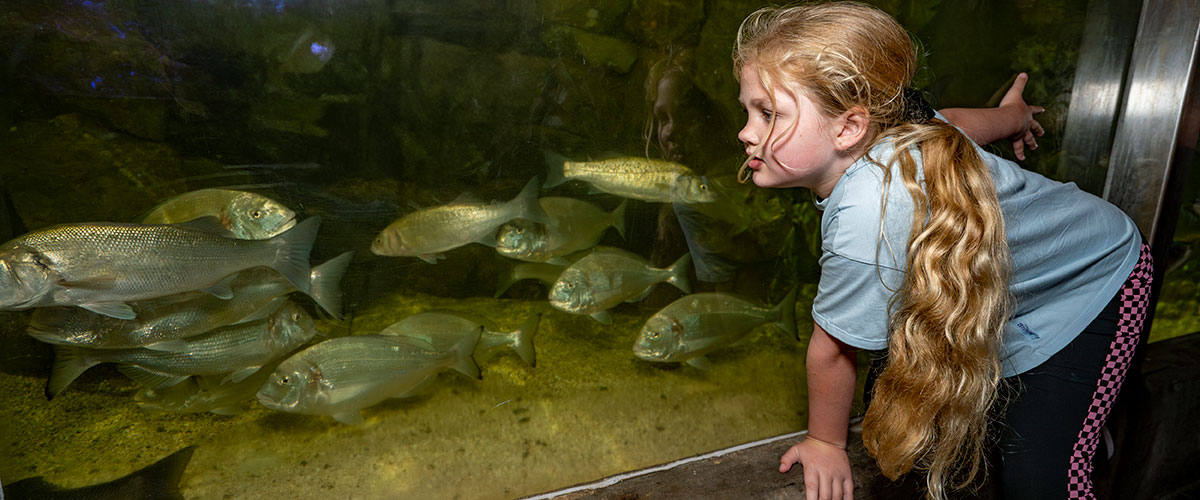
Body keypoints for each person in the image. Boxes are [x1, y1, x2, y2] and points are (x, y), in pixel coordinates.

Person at [732, 3, 1151, 500]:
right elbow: (950, 122)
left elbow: (834, 350)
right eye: (748, 110)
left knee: (1038, 480)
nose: (745, 132)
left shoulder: (868, 214)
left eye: (768, 113)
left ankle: (1082, 423)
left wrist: (825, 441)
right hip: (1000, 298)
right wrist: (1011, 118)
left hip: (1094, 284)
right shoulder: (898, 123)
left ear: (848, 128)